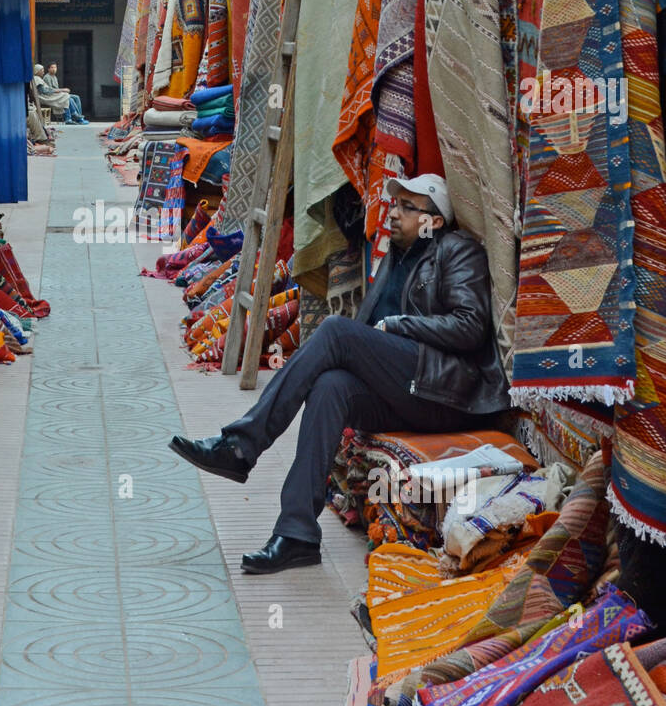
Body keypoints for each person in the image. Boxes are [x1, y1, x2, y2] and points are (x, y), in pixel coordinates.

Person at [168, 175, 509, 574]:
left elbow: (469, 326)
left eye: (407, 207)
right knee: (330, 386)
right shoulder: (395, 258)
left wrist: (399, 327)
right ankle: (297, 534)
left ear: (433, 220)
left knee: (334, 330)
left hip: (445, 393)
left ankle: (243, 446)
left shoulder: (457, 251)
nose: (394, 213)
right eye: (394, 203)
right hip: (405, 389)